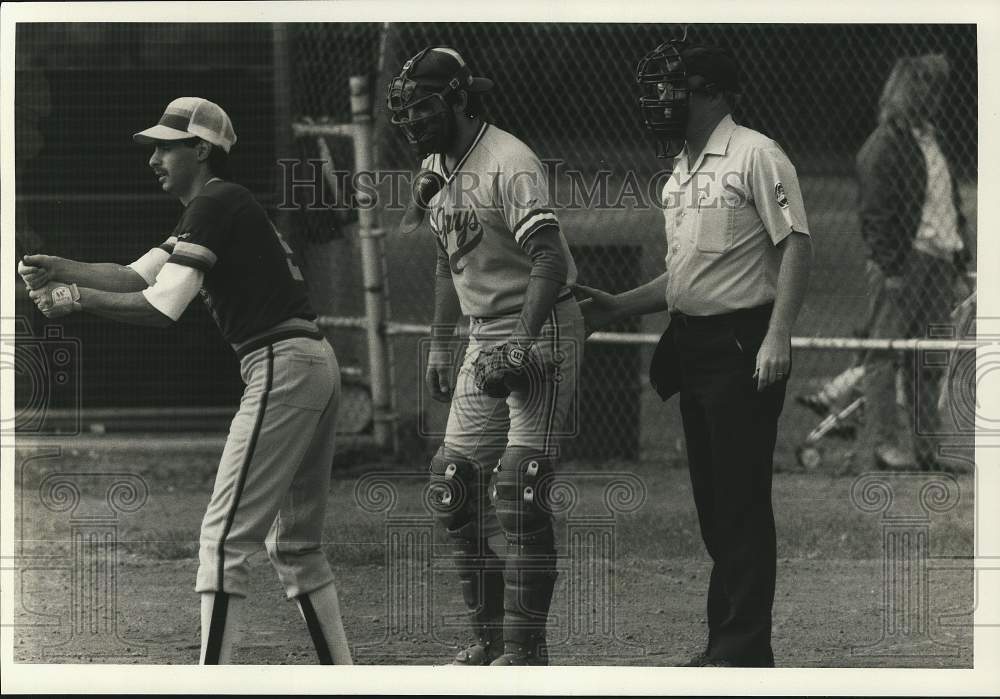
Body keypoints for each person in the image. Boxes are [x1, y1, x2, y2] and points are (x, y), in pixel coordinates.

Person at [19, 97, 352, 665]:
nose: (154, 157)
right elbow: (134, 275)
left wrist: (74, 298)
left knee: (222, 544)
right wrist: (64, 266)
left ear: (202, 149)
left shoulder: (215, 201)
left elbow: (161, 305)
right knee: (295, 546)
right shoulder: (215, 205)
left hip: (282, 366)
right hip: (309, 362)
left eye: (166, 146)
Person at [577, 42, 812, 667]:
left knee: (739, 500)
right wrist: (616, 307)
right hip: (694, 344)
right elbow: (684, 277)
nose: (659, 100)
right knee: (714, 504)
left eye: (672, 86)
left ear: (711, 92)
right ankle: (727, 643)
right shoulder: (680, 172)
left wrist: (778, 333)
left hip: (743, 345)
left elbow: (796, 245)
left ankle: (740, 651)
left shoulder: (757, 155)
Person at [386, 47, 583, 666]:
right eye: (407, 110)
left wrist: (521, 339)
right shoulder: (436, 167)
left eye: (424, 106)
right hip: (482, 333)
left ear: (460, 99)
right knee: (453, 488)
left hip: (540, 324)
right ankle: (490, 641)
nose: (414, 121)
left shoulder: (509, 161)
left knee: (521, 492)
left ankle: (525, 655)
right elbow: (449, 260)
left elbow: (549, 260)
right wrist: (444, 342)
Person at [855, 53, 973, 472]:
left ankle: (927, 449)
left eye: (939, 88)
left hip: (939, 260)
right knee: (884, 354)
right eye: (926, 86)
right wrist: (890, 269)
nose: (935, 96)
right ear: (907, 90)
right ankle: (885, 446)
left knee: (930, 357)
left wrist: (961, 256)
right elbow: (875, 214)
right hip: (904, 264)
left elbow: (947, 203)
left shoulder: (931, 141)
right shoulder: (885, 145)